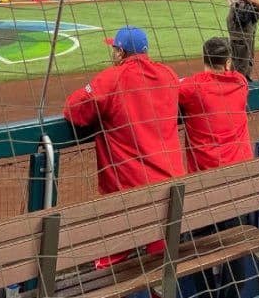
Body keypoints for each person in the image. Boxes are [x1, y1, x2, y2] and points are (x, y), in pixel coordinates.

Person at [63, 26, 185, 266]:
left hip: (128, 193)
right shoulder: (168, 74)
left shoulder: (111, 78)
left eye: (114, 49)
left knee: (108, 264)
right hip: (171, 186)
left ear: (120, 52)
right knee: (162, 262)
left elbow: (73, 110)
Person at [178, 37, 252, 173]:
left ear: (204, 58)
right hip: (245, 172)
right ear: (228, 63)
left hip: (207, 178)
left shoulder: (193, 87)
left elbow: (168, 89)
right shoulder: (240, 82)